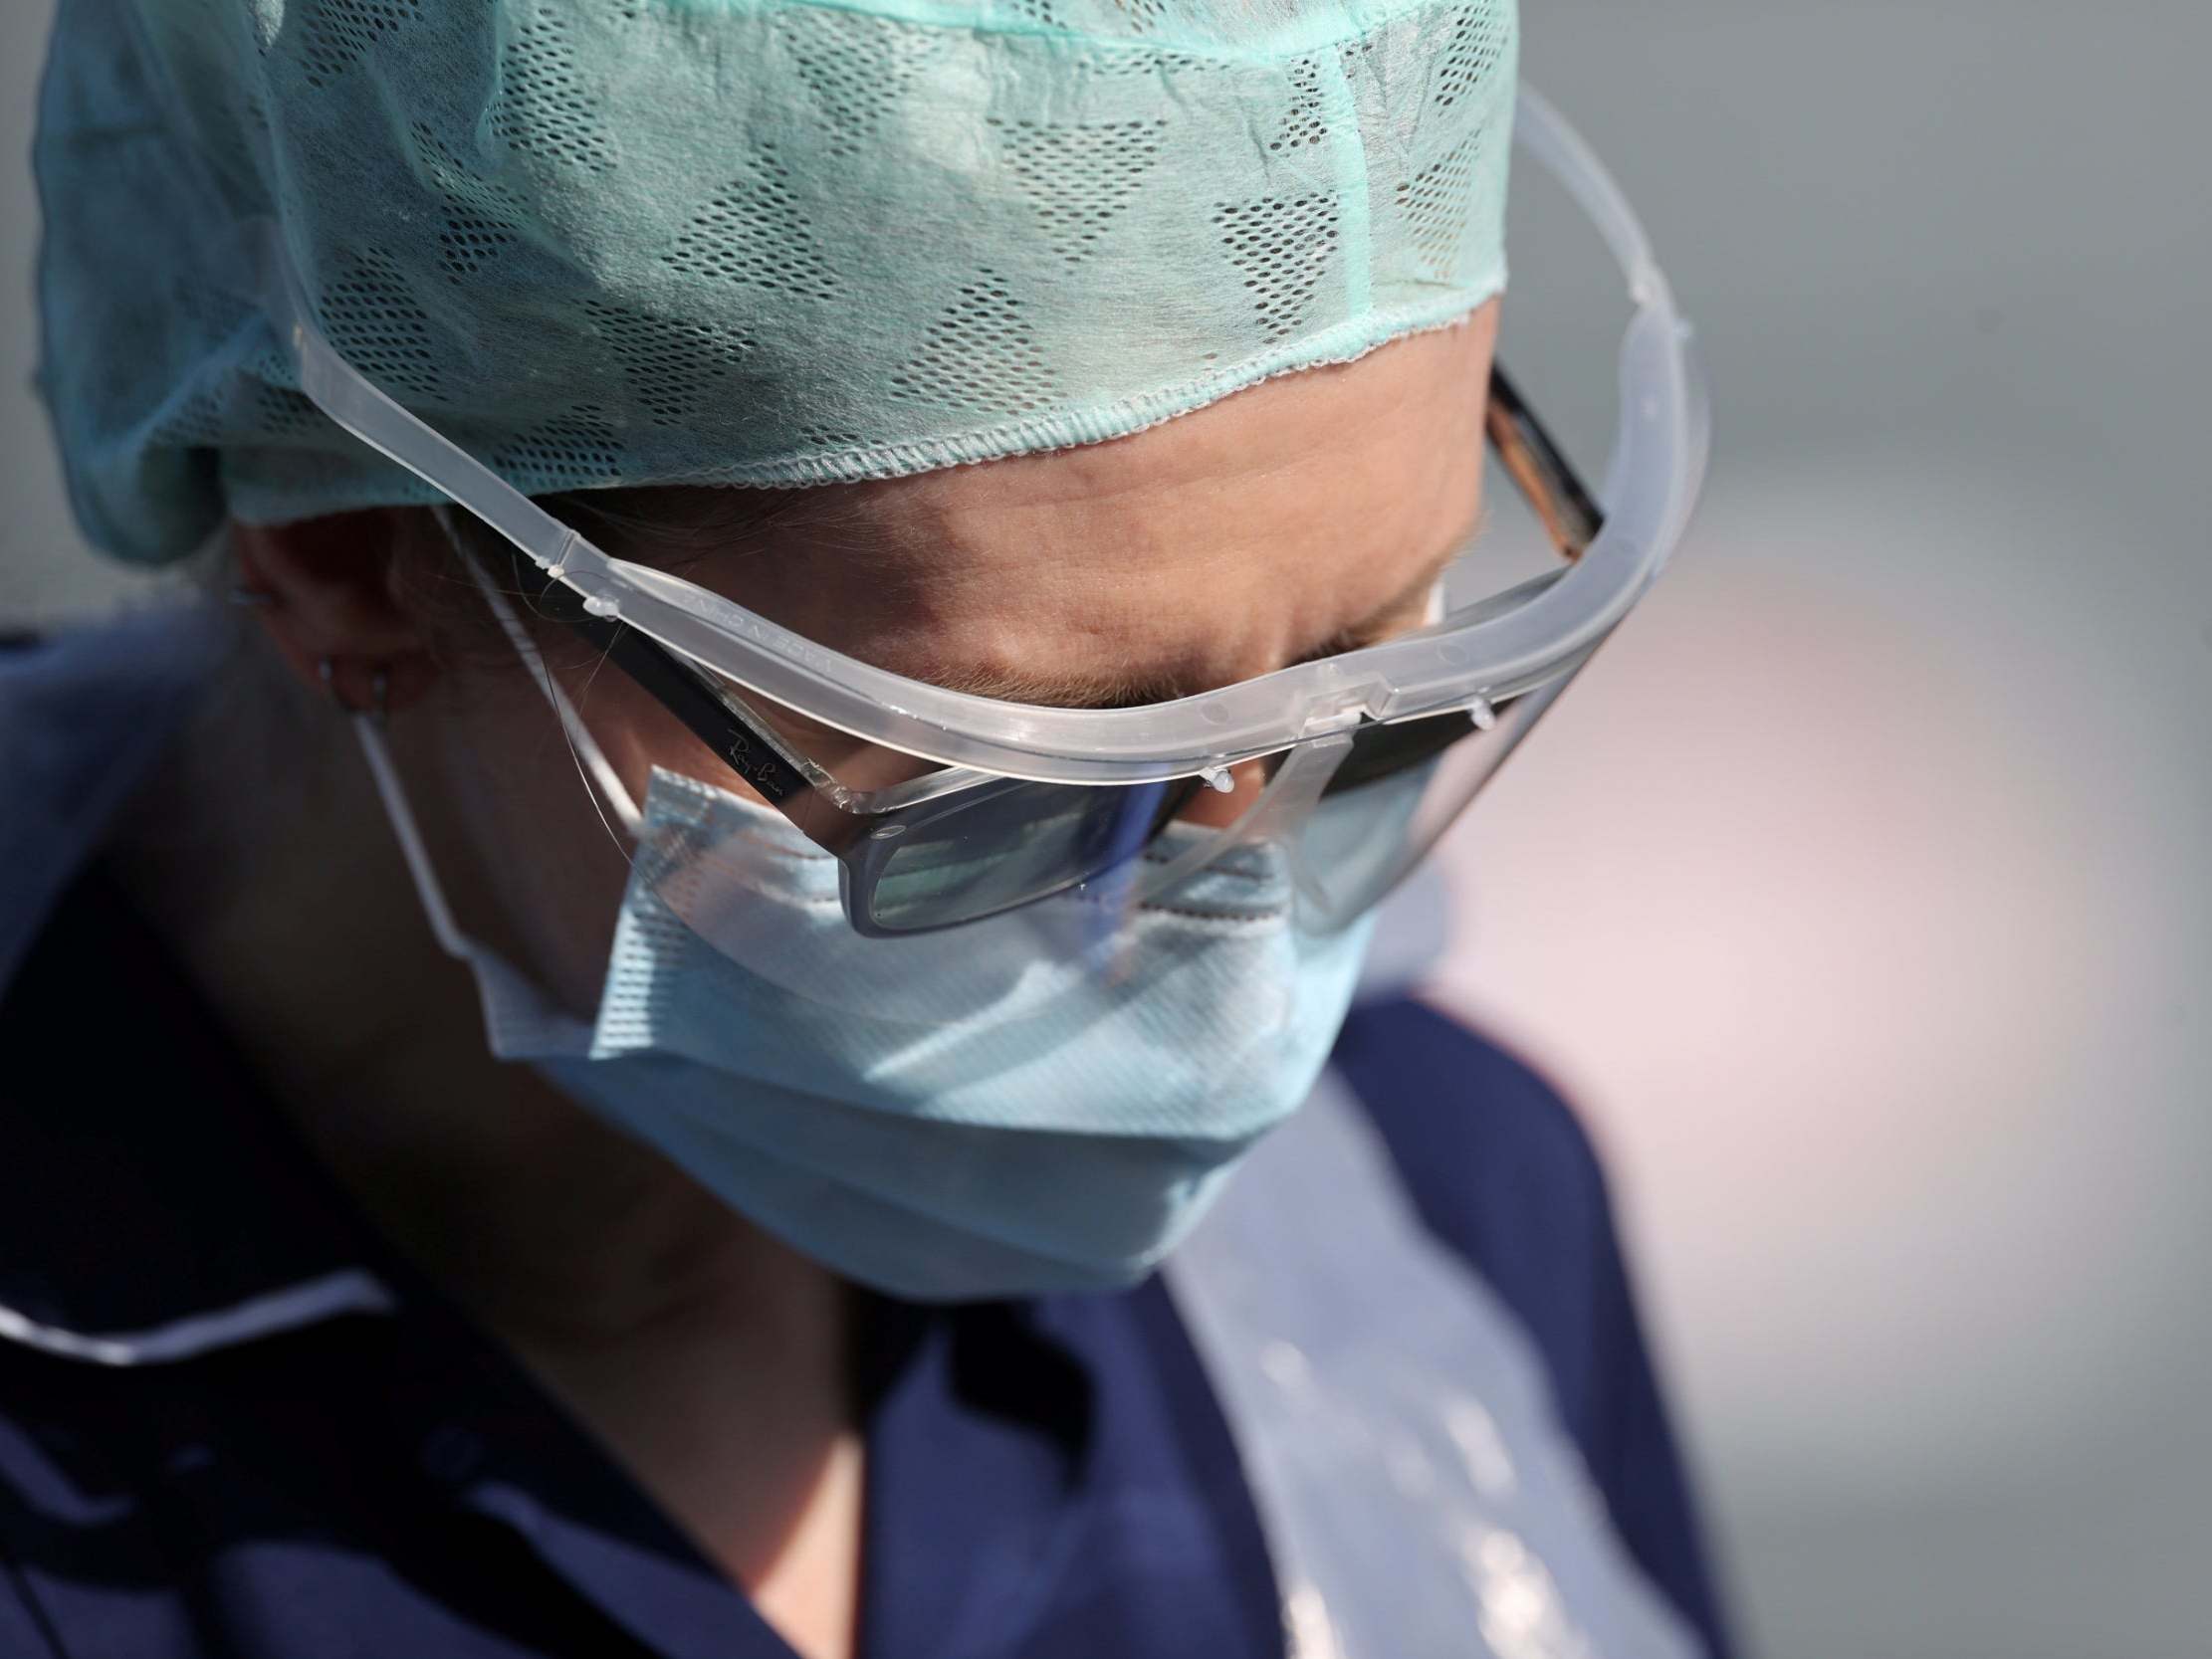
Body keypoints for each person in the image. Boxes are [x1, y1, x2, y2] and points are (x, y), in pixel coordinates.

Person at [1, 0, 1732, 1654]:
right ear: (352, 562)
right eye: (1027, 783)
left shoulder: (1436, 1216)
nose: (1227, 969)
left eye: (1374, 699)